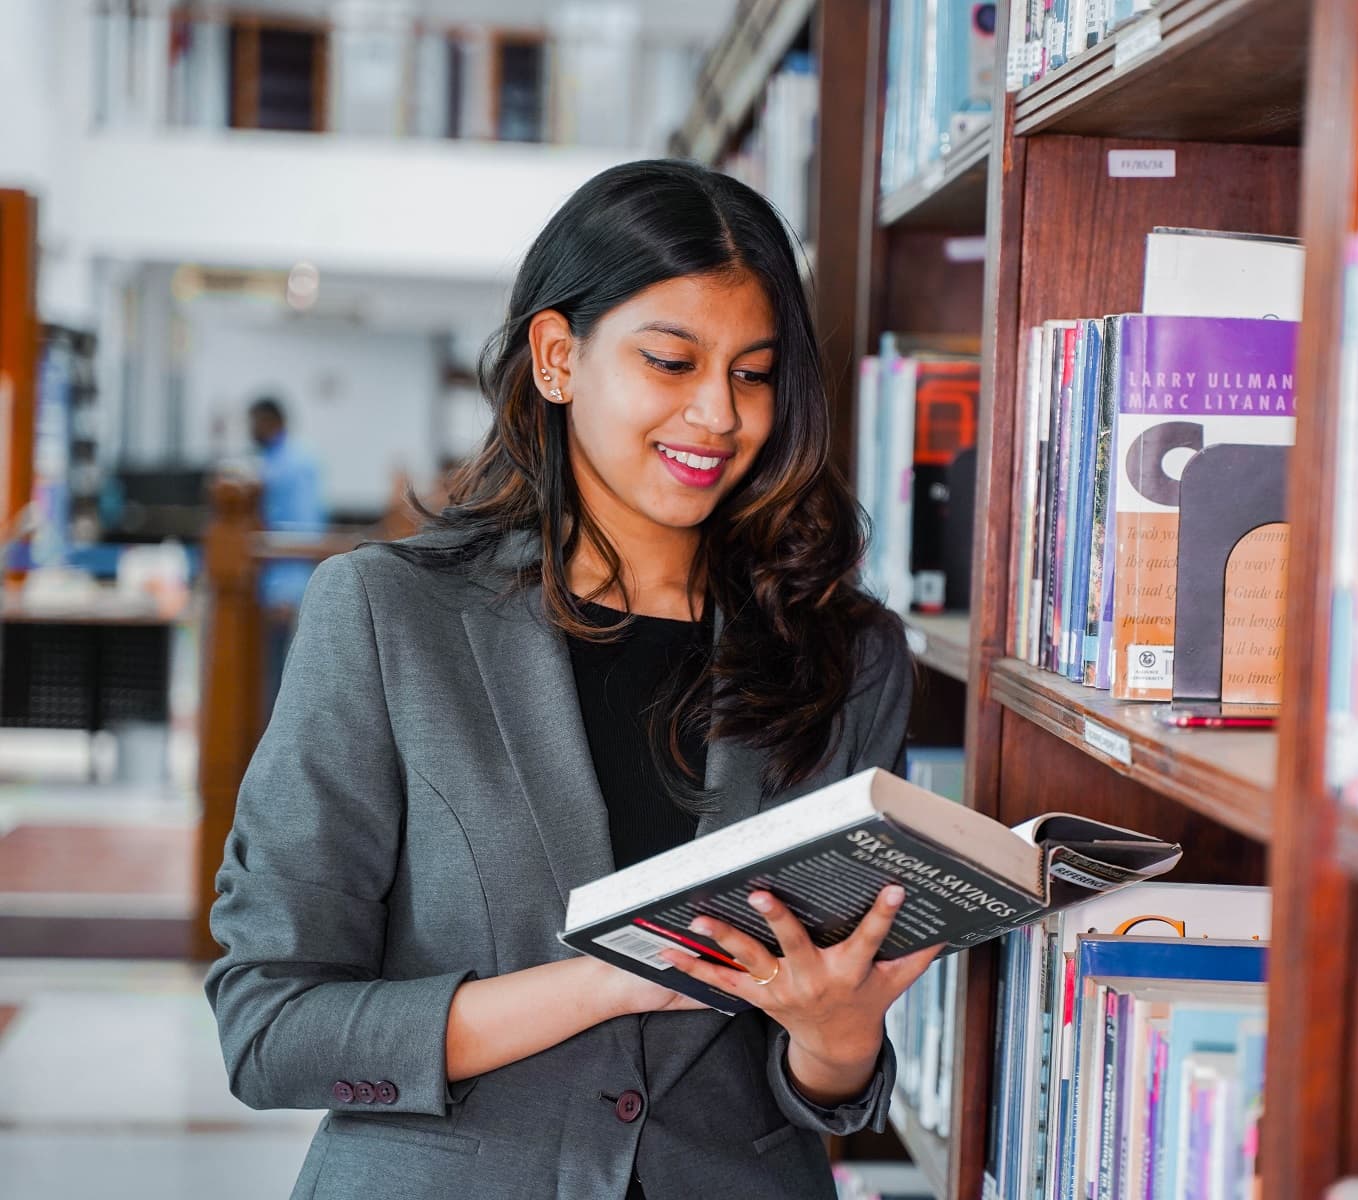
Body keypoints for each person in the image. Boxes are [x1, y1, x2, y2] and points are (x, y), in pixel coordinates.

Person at [204, 160, 929, 1200]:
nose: (719, 415)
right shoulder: (387, 618)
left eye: (755, 373)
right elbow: (269, 1027)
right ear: (557, 357)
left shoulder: (848, 659)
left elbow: (819, 1087)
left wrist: (839, 1039)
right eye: (672, 362)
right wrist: (597, 986)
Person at [247, 395, 327, 709]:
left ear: (271, 421)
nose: (250, 429)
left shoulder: (294, 464)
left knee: (281, 678)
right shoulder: (270, 460)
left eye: (254, 422)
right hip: (268, 586)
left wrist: (286, 591)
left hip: (285, 588)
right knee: (266, 673)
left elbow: (302, 529)